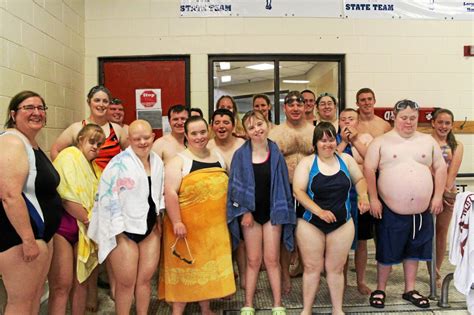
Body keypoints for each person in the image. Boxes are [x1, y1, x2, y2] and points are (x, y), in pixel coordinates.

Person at [364, 99, 447, 309]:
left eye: (412, 118)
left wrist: (437, 196)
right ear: (394, 117)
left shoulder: (428, 141)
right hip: (391, 209)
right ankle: (381, 288)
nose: (408, 122)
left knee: (415, 250)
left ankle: (409, 289)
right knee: (386, 251)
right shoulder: (381, 141)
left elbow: (440, 167)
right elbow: (368, 169)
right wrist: (373, 198)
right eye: (403, 118)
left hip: (421, 211)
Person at [159, 116, 236, 315]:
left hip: (215, 227)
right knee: (186, 266)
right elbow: (170, 193)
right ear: (186, 135)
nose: (199, 137)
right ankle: (178, 311)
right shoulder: (179, 161)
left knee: (207, 269)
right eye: (194, 133)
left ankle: (205, 307)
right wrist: (177, 221)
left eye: (202, 132)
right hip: (186, 226)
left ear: (208, 131)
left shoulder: (218, 156)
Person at [88, 120, 164, 315]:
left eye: (146, 137)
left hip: (150, 229)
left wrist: (159, 221)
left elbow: (158, 194)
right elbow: (106, 201)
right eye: (136, 138)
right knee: (125, 284)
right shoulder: (118, 164)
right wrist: (118, 232)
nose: (142, 142)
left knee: (145, 281)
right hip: (124, 231)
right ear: (129, 140)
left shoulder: (157, 162)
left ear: (153, 137)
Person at [293, 122, 370, 315]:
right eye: (323, 140)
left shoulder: (346, 159)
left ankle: (337, 310)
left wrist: (363, 196)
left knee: (335, 268)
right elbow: (298, 191)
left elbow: (360, 180)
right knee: (312, 267)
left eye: (331, 140)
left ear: (336, 141)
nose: (327, 144)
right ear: (316, 143)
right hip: (311, 222)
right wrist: (319, 211)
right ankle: (307, 310)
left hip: (342, 223)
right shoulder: (308, 163)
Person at [227, 110, 296, 315]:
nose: (257, 129)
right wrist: (245, 211)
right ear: (246, 132)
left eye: (259, 124)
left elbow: (283, 185)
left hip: (273, 212)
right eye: (251, 127)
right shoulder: (240, 155)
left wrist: (281, 213)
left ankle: (277, 303)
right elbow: (235, 188)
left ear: (267, 124)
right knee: (253, 260)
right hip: (251, 214)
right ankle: (248, 304)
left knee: (272, 260)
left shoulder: (276, 153)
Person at [0, 91, 62, 314]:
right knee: (20, 304)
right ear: (13, 114)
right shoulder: (12, 141)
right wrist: (27, 239)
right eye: (29, 108)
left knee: (34, 298)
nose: (36, 112)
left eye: (41, 108)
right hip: (18, 237)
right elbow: (9, 195)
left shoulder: (30, 143)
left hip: (39, 236)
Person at [48, 124, 105, 315]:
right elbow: (66, 196)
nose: (95, 147)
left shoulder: (95, 168)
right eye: (91, 141)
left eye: (99, 144)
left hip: (84, 229)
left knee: (82, 281)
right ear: (80, 139)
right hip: (64, 227)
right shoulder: (68, 156)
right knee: (62, 284)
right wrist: (90, 223)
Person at [268, 90, 314, 294]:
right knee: (283, 235)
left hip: (310, 190)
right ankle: (285, 275)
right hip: (283, 190)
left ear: (305, 107)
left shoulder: (315, 131)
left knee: (310, 235)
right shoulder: (275, 133)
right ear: (284, 107)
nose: (295, 108)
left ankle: (306, 270)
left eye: (299, 104)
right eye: (290, 104)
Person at [353, 88, 391, 295]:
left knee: (382, 232)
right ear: (357, 102)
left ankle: (383, 271)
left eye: (369, 99)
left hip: (381, 182)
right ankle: (360, 280)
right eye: (362, 100)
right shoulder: (352, 123)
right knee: (362, 237)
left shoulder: (383, 125)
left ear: (374, 101)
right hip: (358, 185)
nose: (366, 103)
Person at [336, 108, 374, 295]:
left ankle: (360, 280)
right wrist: (343, 141)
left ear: (357, 122)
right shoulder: (332, 139)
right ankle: (341, 282)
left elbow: (371, 159)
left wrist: (355, 140)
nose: (347, 123)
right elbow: (331, 159)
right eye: (343, 119)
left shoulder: (365, 139)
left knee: (361, 241)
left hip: (361, 196)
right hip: (340, 197)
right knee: (340, 243)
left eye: (351, 119)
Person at [50, 86, 128, 166]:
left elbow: (132, 154)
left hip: (112, 178)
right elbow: (55, 150)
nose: (101, 104)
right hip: (84, 178)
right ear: (89, 102)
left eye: (105, 101)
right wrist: (67, 172)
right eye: (97, 100)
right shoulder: (77, 128)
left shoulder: (117, 130)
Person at [429, 108, 464, 287]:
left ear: (451, 125)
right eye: (440, 122)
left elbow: (452, 173)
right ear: (433, 123)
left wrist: (443, 193)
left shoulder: (457, 146)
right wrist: (433, 193)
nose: (443, 126)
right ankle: (427, 268)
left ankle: (435, 271)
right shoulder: (425, 142)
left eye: (447, 123)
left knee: (441, 233)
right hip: (426, 192)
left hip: (447, 193)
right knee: (426, 233)